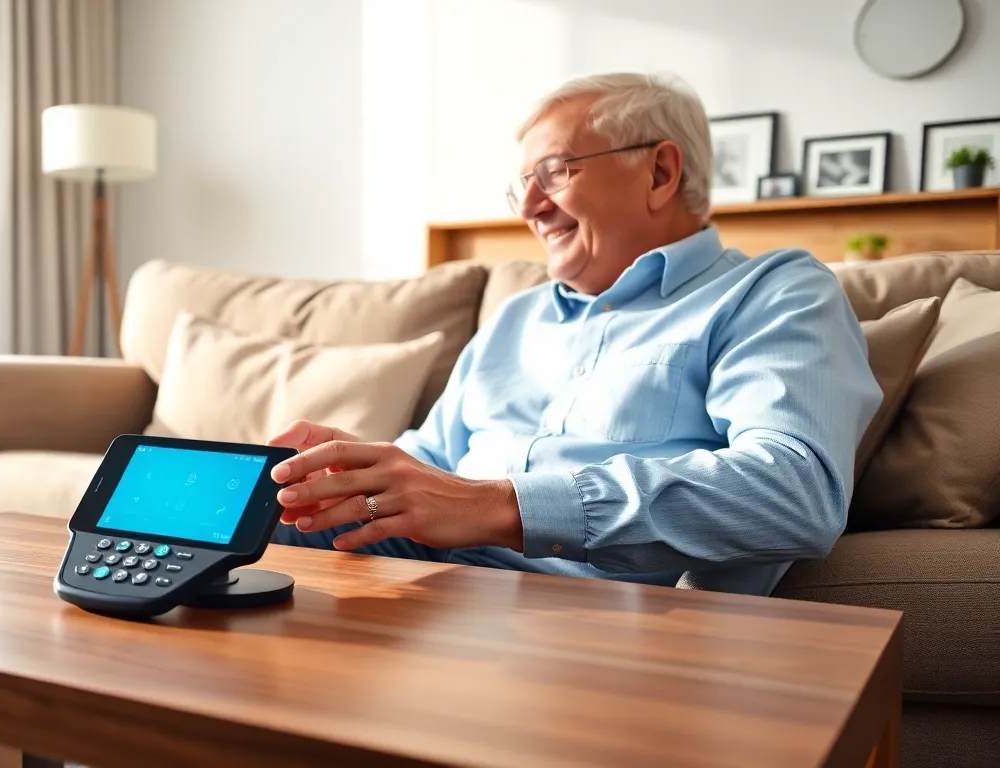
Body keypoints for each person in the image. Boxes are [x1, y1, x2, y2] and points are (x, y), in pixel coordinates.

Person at [267, 73, 881, 596]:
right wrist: (347, 482)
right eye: (523, 185)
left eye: (554, 173)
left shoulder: (774, 292)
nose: (529, 207)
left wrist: (495, 506)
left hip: (577, 607)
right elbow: (433, 463)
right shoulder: (516, 316)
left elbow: (795, 490)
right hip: (424, 575)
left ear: (661, 171)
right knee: (222, 527)